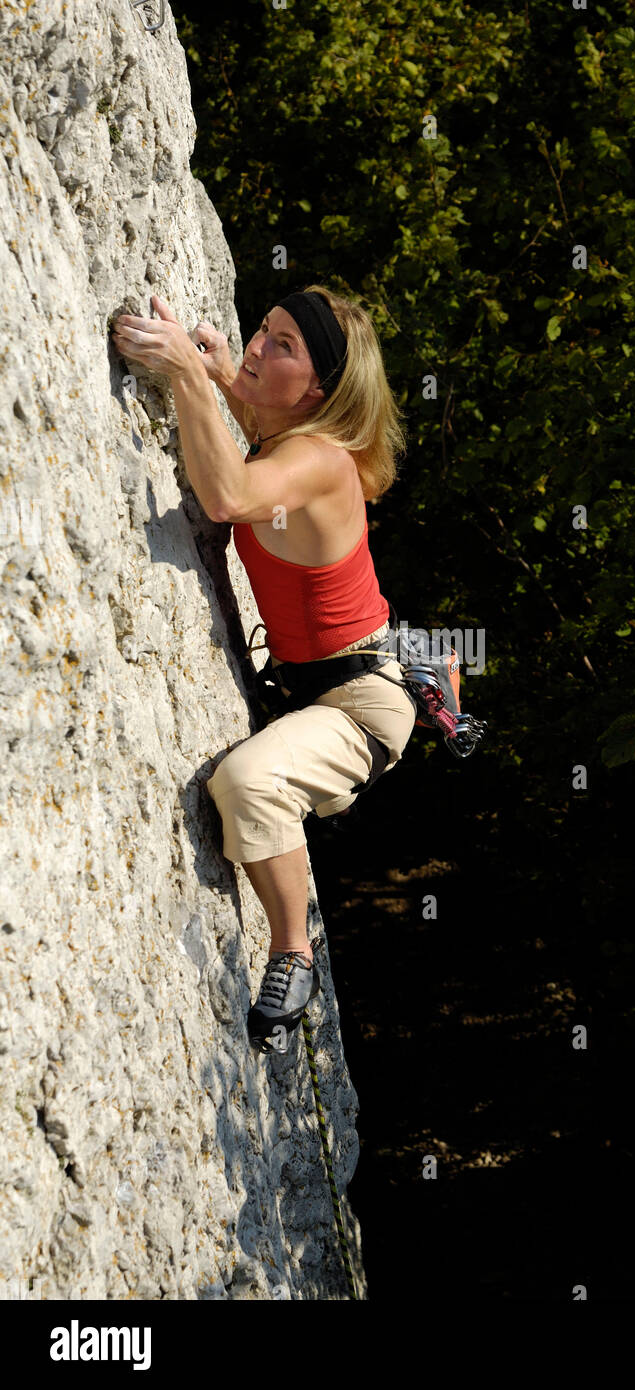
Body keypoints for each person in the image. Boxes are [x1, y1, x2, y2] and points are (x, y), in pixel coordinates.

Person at [111, 286, 416, 1050]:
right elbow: (254, 436)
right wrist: (217, 377)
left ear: (319, 389)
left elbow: (228, 494)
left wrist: (185, 369)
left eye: (281, 347)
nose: (253, 347)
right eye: (262, 331)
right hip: (327, 685)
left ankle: (292, 953)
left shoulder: (316, 460)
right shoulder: (291, 436)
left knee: (248, 783)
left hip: (359, 707)